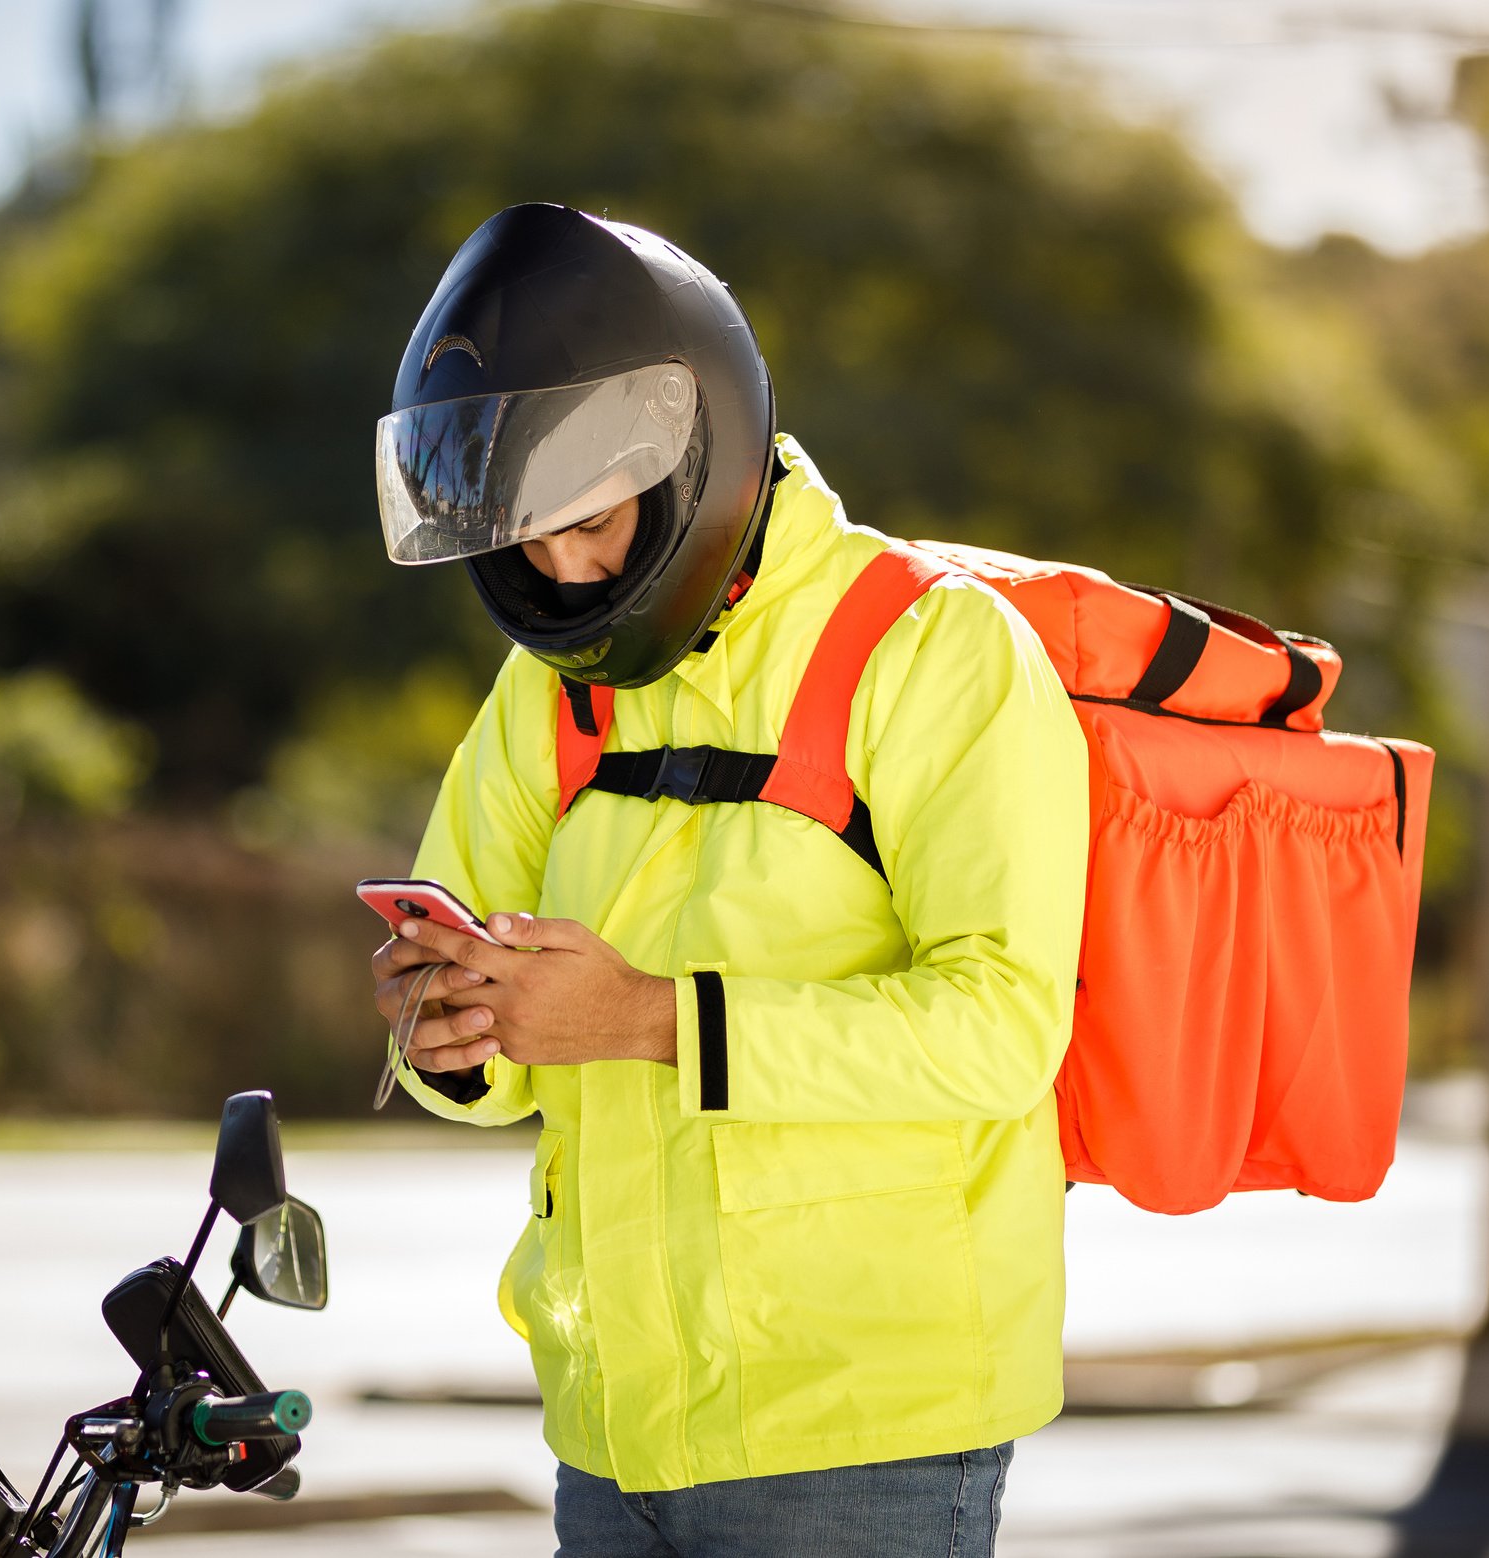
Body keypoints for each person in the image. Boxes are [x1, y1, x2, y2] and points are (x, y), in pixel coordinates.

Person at [367, 204, 1090, 1556]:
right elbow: (489, 1034)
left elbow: (1001, 1030)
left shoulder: (936, 652)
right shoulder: (544, 696)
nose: (559, 569)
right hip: (611, 1428)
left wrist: (650, 1020)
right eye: (524, 531)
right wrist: (450, 1032)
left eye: (587, 519)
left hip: (865, 1435)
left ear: (697, 451)